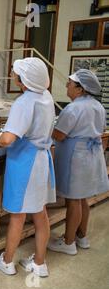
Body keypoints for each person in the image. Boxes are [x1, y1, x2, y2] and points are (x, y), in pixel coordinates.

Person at [0, 57, 56, 278]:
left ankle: (7, 261)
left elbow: (8, 138)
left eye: (16, 72)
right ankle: (39, 263)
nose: (13, 74)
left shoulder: (25, 102)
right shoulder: (46, 97)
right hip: (42, 160)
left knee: (18, 214)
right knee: (40, 212)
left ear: (24, 79)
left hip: (25, 163)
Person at [47, 69, 109, 255]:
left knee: (73, 200)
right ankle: (81, 236)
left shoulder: (73, 108)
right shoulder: (98, 106)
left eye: (69, 83)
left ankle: (68, 242)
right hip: (91, 155)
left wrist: (45, 127)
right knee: (83, 199)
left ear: (80, 89)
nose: (66, 86)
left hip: (76, 157)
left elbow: (60, 134)